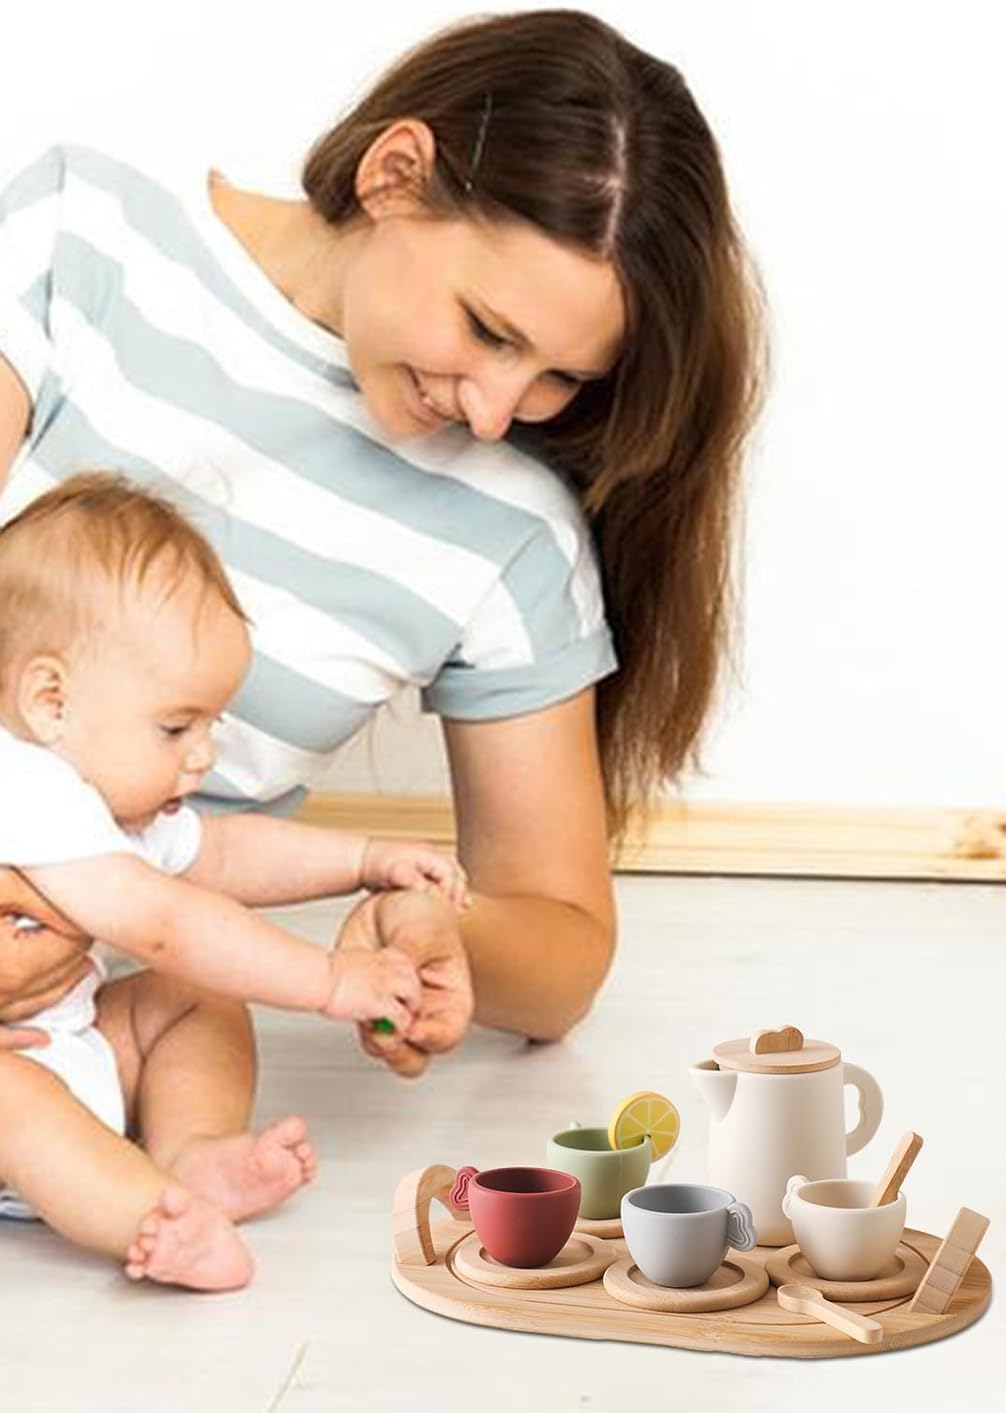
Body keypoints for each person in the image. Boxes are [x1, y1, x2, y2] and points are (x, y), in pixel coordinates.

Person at [0, 10, 763, 1064]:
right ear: (393, 174)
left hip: (84, 1027)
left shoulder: (513, 532)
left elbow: (564, 956)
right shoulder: (81, 238)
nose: (494, 410)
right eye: (489, 331)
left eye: (559, 377)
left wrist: (435, 925)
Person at [0, 472, 475, 1289]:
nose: (205, 753)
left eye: (211, 723)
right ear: (51, 700)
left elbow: (218, 854)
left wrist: (363, 859)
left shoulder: (109, 798)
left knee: (198, 996)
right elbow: (165, 922)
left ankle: (190, 1151)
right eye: (176, 725)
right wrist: (328, 979)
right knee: (14, 1095)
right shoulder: (23, 785)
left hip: (63, 1042)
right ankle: (148, 1216)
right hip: (17, 1080)